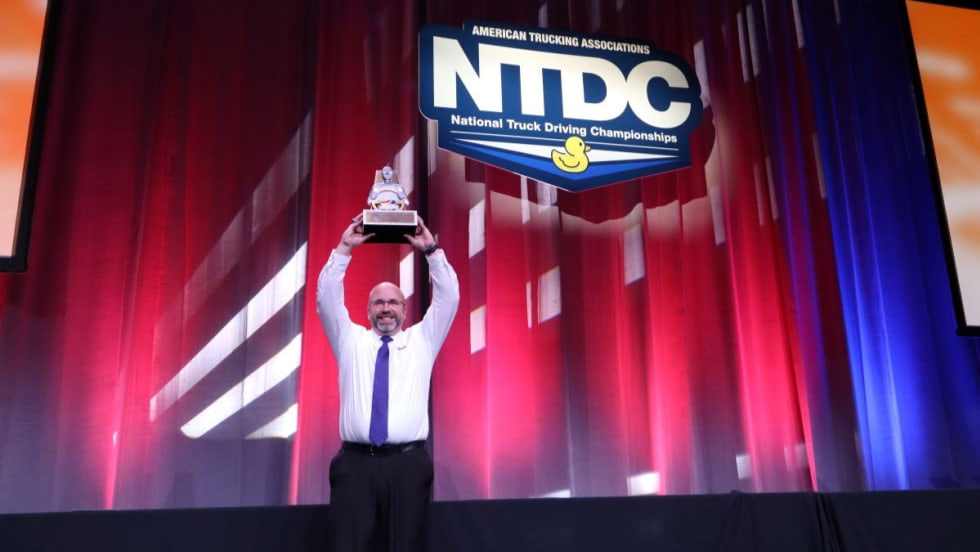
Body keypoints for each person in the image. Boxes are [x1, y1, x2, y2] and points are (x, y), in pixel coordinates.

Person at [316, 213, 460, 552]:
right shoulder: (349, 340)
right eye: (378, 302)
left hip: (407, 465)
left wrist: (432, 251)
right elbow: (326, 300)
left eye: (393, 302)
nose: (386, 308)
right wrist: (343, 249)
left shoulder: (422, 340)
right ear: (367, 310)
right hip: (355, 465)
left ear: (405, 310)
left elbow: (449, 298)